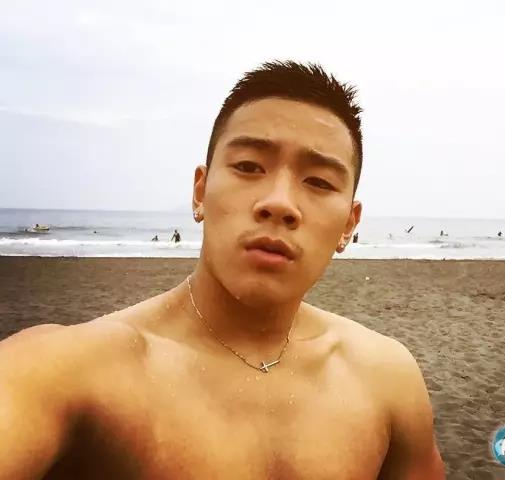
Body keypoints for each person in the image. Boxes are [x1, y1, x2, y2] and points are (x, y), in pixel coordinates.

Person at [0, 61, 444, 479]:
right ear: (200, 191)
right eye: (249, 166)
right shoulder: (73, 371)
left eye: (319, 181)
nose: (279, 203)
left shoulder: (387, 379)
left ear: (348, 224)